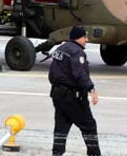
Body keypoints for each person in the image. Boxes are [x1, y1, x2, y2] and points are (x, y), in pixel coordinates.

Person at [48, 26, 101, 156]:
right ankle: (94, 154)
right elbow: (80, 73)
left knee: (62, 125)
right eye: (84, 37)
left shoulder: (61, 49)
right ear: (78, 37)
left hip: (57, 93)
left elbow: (52, 73)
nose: (86, 40)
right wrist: (91, 89)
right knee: (88, 125)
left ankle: (57, 153)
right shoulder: (77, 52)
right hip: (72, 96)